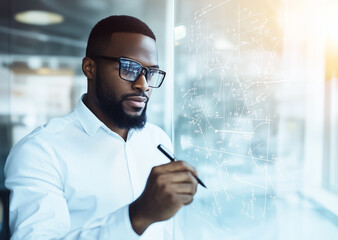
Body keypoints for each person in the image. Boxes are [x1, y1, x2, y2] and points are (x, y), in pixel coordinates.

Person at [4, 15, 199, 239]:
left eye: (151, 72)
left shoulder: (158, 140)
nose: (143, 85)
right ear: (89, 68)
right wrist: (136, 217)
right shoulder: (40, 152)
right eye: (128, 68)